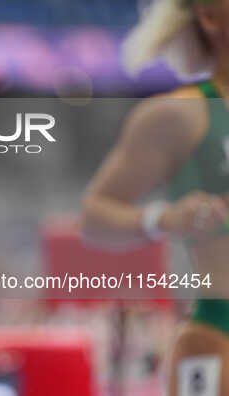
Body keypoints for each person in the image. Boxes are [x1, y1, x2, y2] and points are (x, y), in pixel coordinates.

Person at [81, 0, 229, 394]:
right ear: (209, 15)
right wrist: (163, 218)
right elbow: (95, 216)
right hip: (220, 335)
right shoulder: (181, 115)